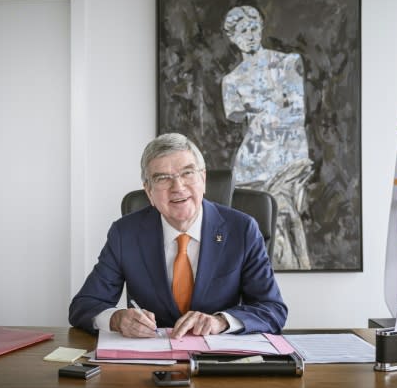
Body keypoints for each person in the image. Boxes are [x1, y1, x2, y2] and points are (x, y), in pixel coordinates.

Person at [68, 133, 287, 338]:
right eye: (163, 178)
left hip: (219, 361)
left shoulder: (242, 229)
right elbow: (84, 306)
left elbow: (272, 309)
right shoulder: (125, 234)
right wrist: (116, 319)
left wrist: (221, 322)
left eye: (187, 173)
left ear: (203, 179)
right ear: (149, 192)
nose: (178, 187)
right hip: (150, 362)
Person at [221, 5, 314, 269]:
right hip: (252, 159)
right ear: (233, 37)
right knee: (253, 226)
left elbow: (297, 115)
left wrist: (297, 160)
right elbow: (237, 115)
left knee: (286, 217)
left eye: (253, 28)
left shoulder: (287, 63)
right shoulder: (231, 80)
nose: (249, 35)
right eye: (242, 31)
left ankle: (296, 272)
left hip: (285, 155)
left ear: (261, 28)